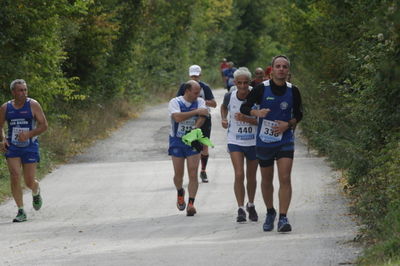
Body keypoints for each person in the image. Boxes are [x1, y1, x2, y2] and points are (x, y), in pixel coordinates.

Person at [240, 55, 303, 232]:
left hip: (285, 140)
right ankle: (270, 212)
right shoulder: (261, 88)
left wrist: (288, 124)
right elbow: (245, 107)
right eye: (278, 66)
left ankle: (283, 217)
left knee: (285, 178)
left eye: (284, 66)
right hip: (265, 141)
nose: (281, 69)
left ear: (288, 70)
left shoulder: (293, 90)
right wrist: (256, 113)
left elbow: (299, 114)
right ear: (272, 69)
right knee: (267, 180)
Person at [0, 79, 48, 222]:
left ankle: (35, 188)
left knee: (28, 181)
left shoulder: (33, 105)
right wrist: (3, 139)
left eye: (25, 90)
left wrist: (28, 134)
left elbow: (44, 125)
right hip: (13, 146)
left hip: (30, 146)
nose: (23, 93)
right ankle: (21, 210)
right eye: (20, 90)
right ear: (13, 92)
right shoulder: (5, 108)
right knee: (14, 175)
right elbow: (0, 125)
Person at [220, 68, 259, 223]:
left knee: (251, 176)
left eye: (245, 83)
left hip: (254, 141)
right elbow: (223, 107)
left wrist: (246, 118)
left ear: (250, 82)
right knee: (238, 174)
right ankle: (241, 208)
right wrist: (224, 119)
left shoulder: (257, 96)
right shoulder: (230, 96)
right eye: (239, 83)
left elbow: (261, 121)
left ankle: (251, 204)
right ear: (234, 83)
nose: (243, 86)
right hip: (235, 140)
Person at [169, 80, 209, 216]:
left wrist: (195, 128)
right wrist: (196, 111)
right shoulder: (175, 102)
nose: (198, 95)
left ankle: (191, 204)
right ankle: (180, 191)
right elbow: (178, 118)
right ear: (187, 91)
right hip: (177, 141)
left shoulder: (200, 101)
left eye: (199, 92)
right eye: (195, 92)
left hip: (192, 141)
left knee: (193, 173)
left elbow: (203, 116)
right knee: (178, 175)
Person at [177, 65, 217, 183]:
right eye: (192, 75)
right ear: (189, 75)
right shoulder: (183, 87)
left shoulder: (205, 87)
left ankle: (203, 171)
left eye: (196, 75)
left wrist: (201, 101)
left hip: (203, 117)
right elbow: (177, 100)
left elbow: (214, 104)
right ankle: (191, 172)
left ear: (200, 75)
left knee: (204, 144)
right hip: (189, 118)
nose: (194, 77)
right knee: (189, 143)